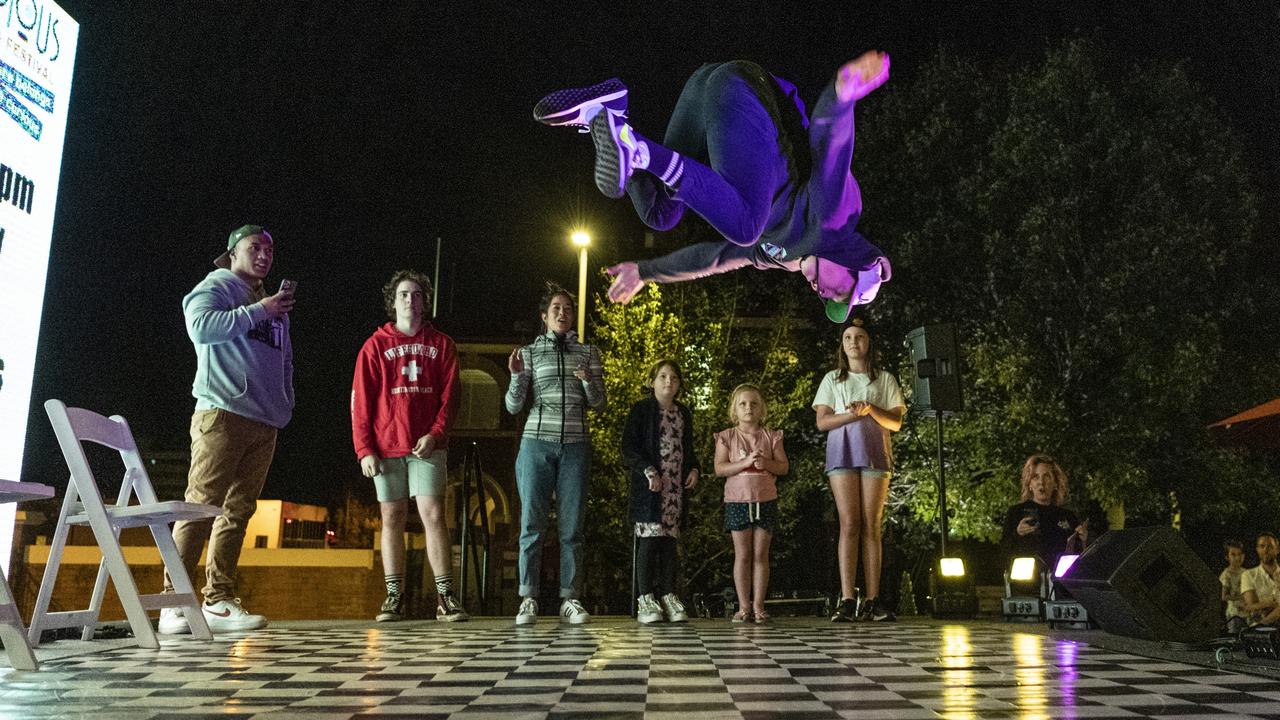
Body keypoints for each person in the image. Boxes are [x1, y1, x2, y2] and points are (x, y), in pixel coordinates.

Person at [533, 51, 893, 323]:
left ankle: (612, 114)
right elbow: (830, 148)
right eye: (841, 290)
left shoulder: (782, 258)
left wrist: (645, 271)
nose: (825, 294)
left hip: (704, 93)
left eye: (830, 300)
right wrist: (841, 94)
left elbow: (715, 259)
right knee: (746, 228)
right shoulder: (834, 220)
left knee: (660, 213)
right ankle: (637, 151)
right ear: (851, 262)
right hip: (746, 93)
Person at [159, 224, 294, 635]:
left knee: (238, 512)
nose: (264, 255)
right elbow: (200, 327)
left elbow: (282, 357)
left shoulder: (269, 302)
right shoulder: (216, 286)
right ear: (232, 254)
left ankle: (218, 599)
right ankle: (173, 604)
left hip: (264, 419)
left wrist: (285, 402)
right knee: (201, 506)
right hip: (222, 412)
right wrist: (260, 311)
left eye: (270, 249)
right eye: (255, 247)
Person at [351, 270, 467, 623]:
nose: (410, 300)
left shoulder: (441, 345)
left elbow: (451, 397)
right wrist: (364, 449)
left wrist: (435, 434)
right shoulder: (374, 346)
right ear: (393, 300)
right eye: (403, 294)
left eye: (416, 294)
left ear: (424, 301)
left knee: (433, 514)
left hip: (427, 447)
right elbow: (360, 400)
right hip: (387, 446)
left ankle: (445, 596)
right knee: (392, 517)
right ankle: (393, 596)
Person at [505, 283, 605, 625]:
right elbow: (513, 405)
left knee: (572, 527)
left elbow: (599, 403)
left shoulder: (588, 353)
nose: (563, 314)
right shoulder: (530, 353)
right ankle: (528, 598)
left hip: (576, 446)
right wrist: (517, 378)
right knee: (532, 524)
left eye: (568, 309)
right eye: (556, 309)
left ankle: (569, 598)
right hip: (536, 443)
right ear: (545, 316)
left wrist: (590, 380)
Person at [811, 318, 905, 622]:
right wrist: (851, 415)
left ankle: (873, 599)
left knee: (871, 523)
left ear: (869, 342)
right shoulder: (832, 380)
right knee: (849, 522)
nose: (853, 342)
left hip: (876, 453)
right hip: (842, 452)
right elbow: (822, 422)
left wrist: (870, 410)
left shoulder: (885, 379)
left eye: (860, 337)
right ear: (842, 344)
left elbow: (896, 422)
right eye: (848, 337)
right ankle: (847, 598)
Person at [621, 360, 701, 624]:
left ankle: (668, 595)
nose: (669, 381)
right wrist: (648, 470)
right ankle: (645, 598)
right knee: (650, 539)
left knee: (669, 542)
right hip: (650, 489)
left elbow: (689, 449)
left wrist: (694, 469)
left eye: (674, 377)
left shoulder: (683, 414)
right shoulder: (642, 410)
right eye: (663, 376)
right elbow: (629, 448)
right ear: (652, 381)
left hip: (675, 490)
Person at [714, 383, 788, 623]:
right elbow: (720, 468)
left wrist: (765, 463)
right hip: (737, 501)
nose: (748, 408)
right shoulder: (726, 437)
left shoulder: (772, 436)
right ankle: (743, 606)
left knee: (761, 555)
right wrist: (744, 463)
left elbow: (783, 467)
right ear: (734, 409)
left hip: (765, 500)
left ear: (761, 408)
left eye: (753, 404)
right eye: (743, 404)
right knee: (742, 554)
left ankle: (758, 606)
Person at [1000, 454, 1079, 569]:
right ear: (1030, 484)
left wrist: (1083, 539)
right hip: (1027, 581)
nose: (1041, 482)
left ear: (1055, 483)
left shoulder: (1067, 516)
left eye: (1046, 476)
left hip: (1059, 579)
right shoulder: (1016, 512)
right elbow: (1004, 550)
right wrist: (1018, 534)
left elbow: (1078, 552)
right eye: (1035, 477)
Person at [1241, 532, 1280, 625]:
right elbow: (1252, 607)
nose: (1265, 550)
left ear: (1277, 549)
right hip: (1262, 627)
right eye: (1262, 546)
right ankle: (1259, 628)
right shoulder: (1249, 575)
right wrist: (1271, 604)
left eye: (1269, 546)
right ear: (1257, 550)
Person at [1221, 539, 1248, 633]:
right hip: (1234, 614)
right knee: (1235, 638)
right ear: (1227, 557)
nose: (1237, 558)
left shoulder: (1245, 572)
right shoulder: (1227, 574)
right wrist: (1240, 597)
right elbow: (1224, 596)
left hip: (1247, 612)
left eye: (1240, 554)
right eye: (1233, 554)